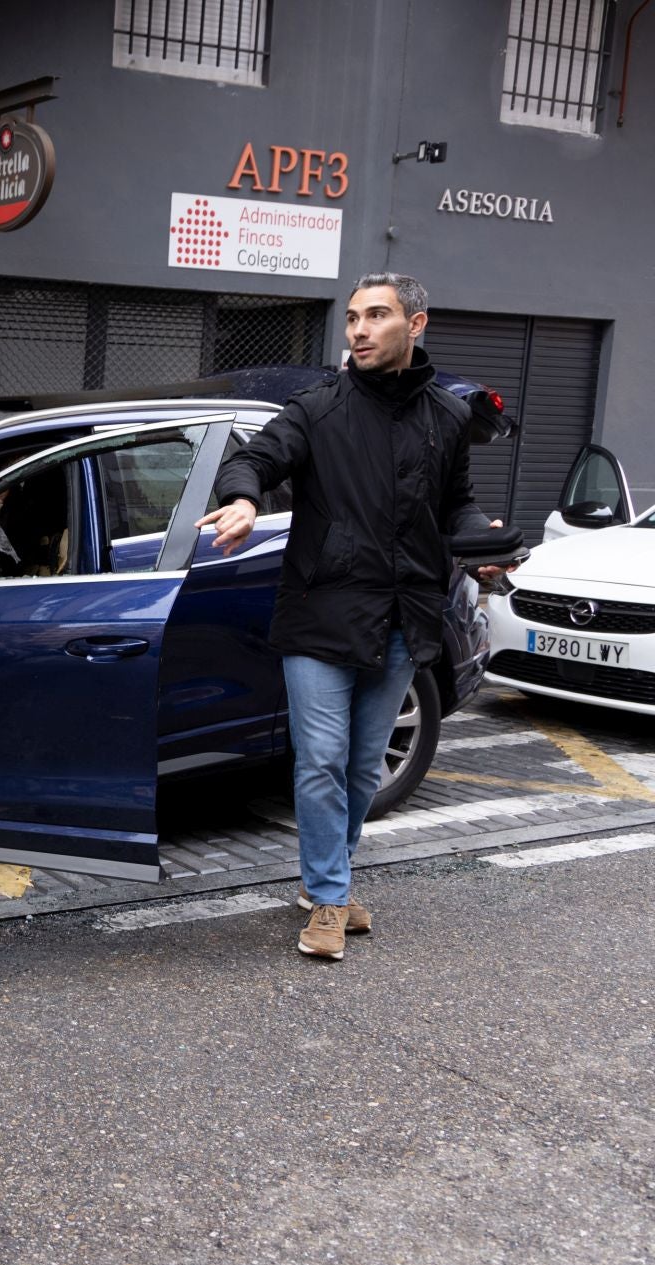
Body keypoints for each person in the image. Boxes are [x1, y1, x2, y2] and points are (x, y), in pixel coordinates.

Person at [196, 272, 511, 961]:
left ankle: (325, 882)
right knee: (320, 761)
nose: (359, 330)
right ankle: (330, 896)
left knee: (365, 768)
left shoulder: (449, 417)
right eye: (352, 318)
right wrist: (243, 499)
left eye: (376, 316)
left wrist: (481, 545)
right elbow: (254, 458)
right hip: (321, 614)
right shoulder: (317, 409)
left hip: (404, 616)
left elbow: (455, 505)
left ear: (415, 324)